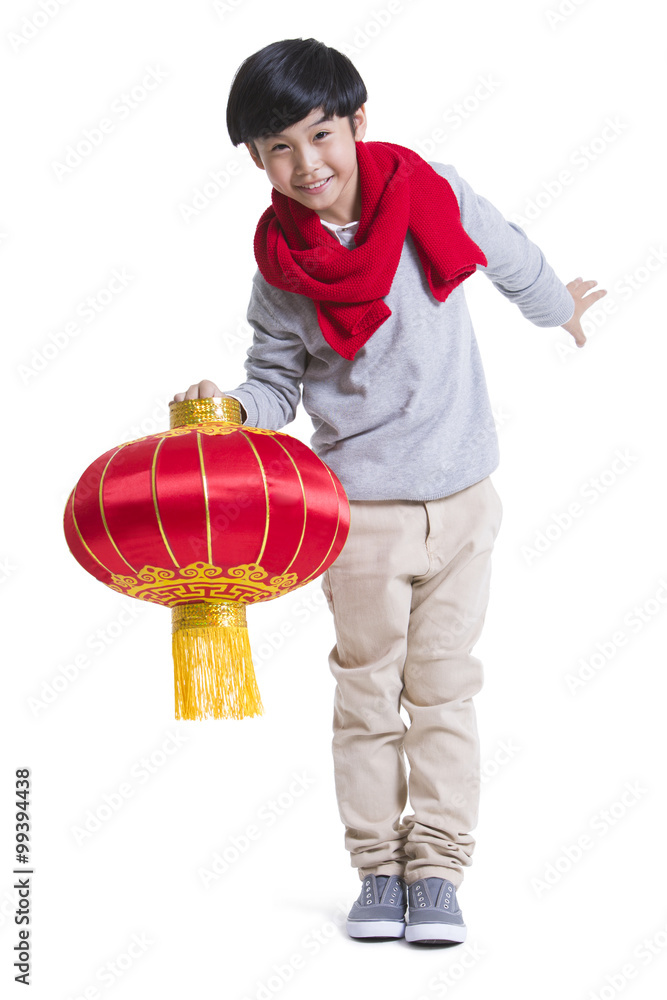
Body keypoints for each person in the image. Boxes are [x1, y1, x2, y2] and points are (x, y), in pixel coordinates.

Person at [172, 37, 606, 944]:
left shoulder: (429, 192)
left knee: (444, 690)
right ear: (255, 160)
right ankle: (376, 867)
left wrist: (556, 306)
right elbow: (275, 385)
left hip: (462, 501)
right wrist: (231, 411)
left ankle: (438, 866)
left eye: (319, 134)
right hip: (358, 518)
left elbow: (505, 251)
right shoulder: (281, 274)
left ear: (357, 123)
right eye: (277, 148)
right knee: (367, 694)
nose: (305, 164)